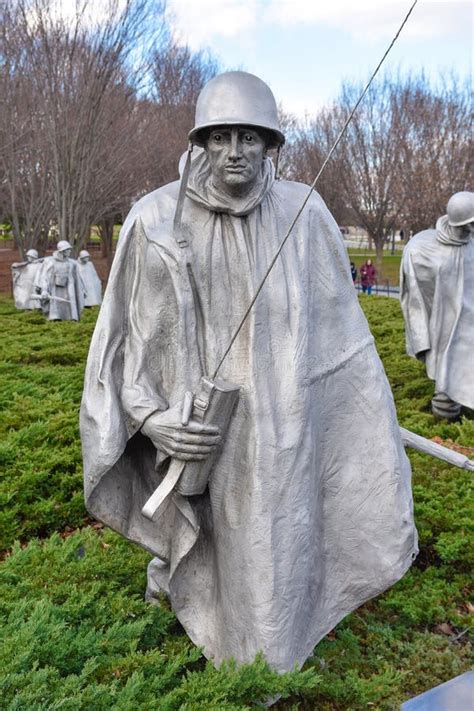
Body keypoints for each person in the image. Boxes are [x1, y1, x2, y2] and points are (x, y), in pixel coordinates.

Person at [81, 71, 417, 673]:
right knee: (209, 540)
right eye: (220, 136)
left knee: (273, 552)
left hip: (284, 430)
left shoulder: (304, 213)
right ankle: (200, 616)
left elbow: (344, 340)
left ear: (272, 146)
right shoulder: (154, 219)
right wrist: (153, 419)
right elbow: (122, 342)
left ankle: (263, 664)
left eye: (251, 137)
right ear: (200, 143)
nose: (235, 151)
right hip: (200, 430)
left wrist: (354, 423)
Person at [400, 191, 474, 421]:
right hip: (443, 325)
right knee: (446, 376)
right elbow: (416, 298)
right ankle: (446, 422)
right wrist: (422, 337)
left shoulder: (470, 247)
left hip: (469, 323)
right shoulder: (424, 249)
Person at [35, 240, 85, 321]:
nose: (69, 251)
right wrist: (44, 290)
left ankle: (71, 318)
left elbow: (78, 279)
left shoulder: (72, 264)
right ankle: (55, 319)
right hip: (54, 289)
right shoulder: (51, 263)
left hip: (69, 289)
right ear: (62, 251)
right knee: (56, 309)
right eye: (68, 250)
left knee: (70, 307)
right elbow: (45, 278)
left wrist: (83, 290)